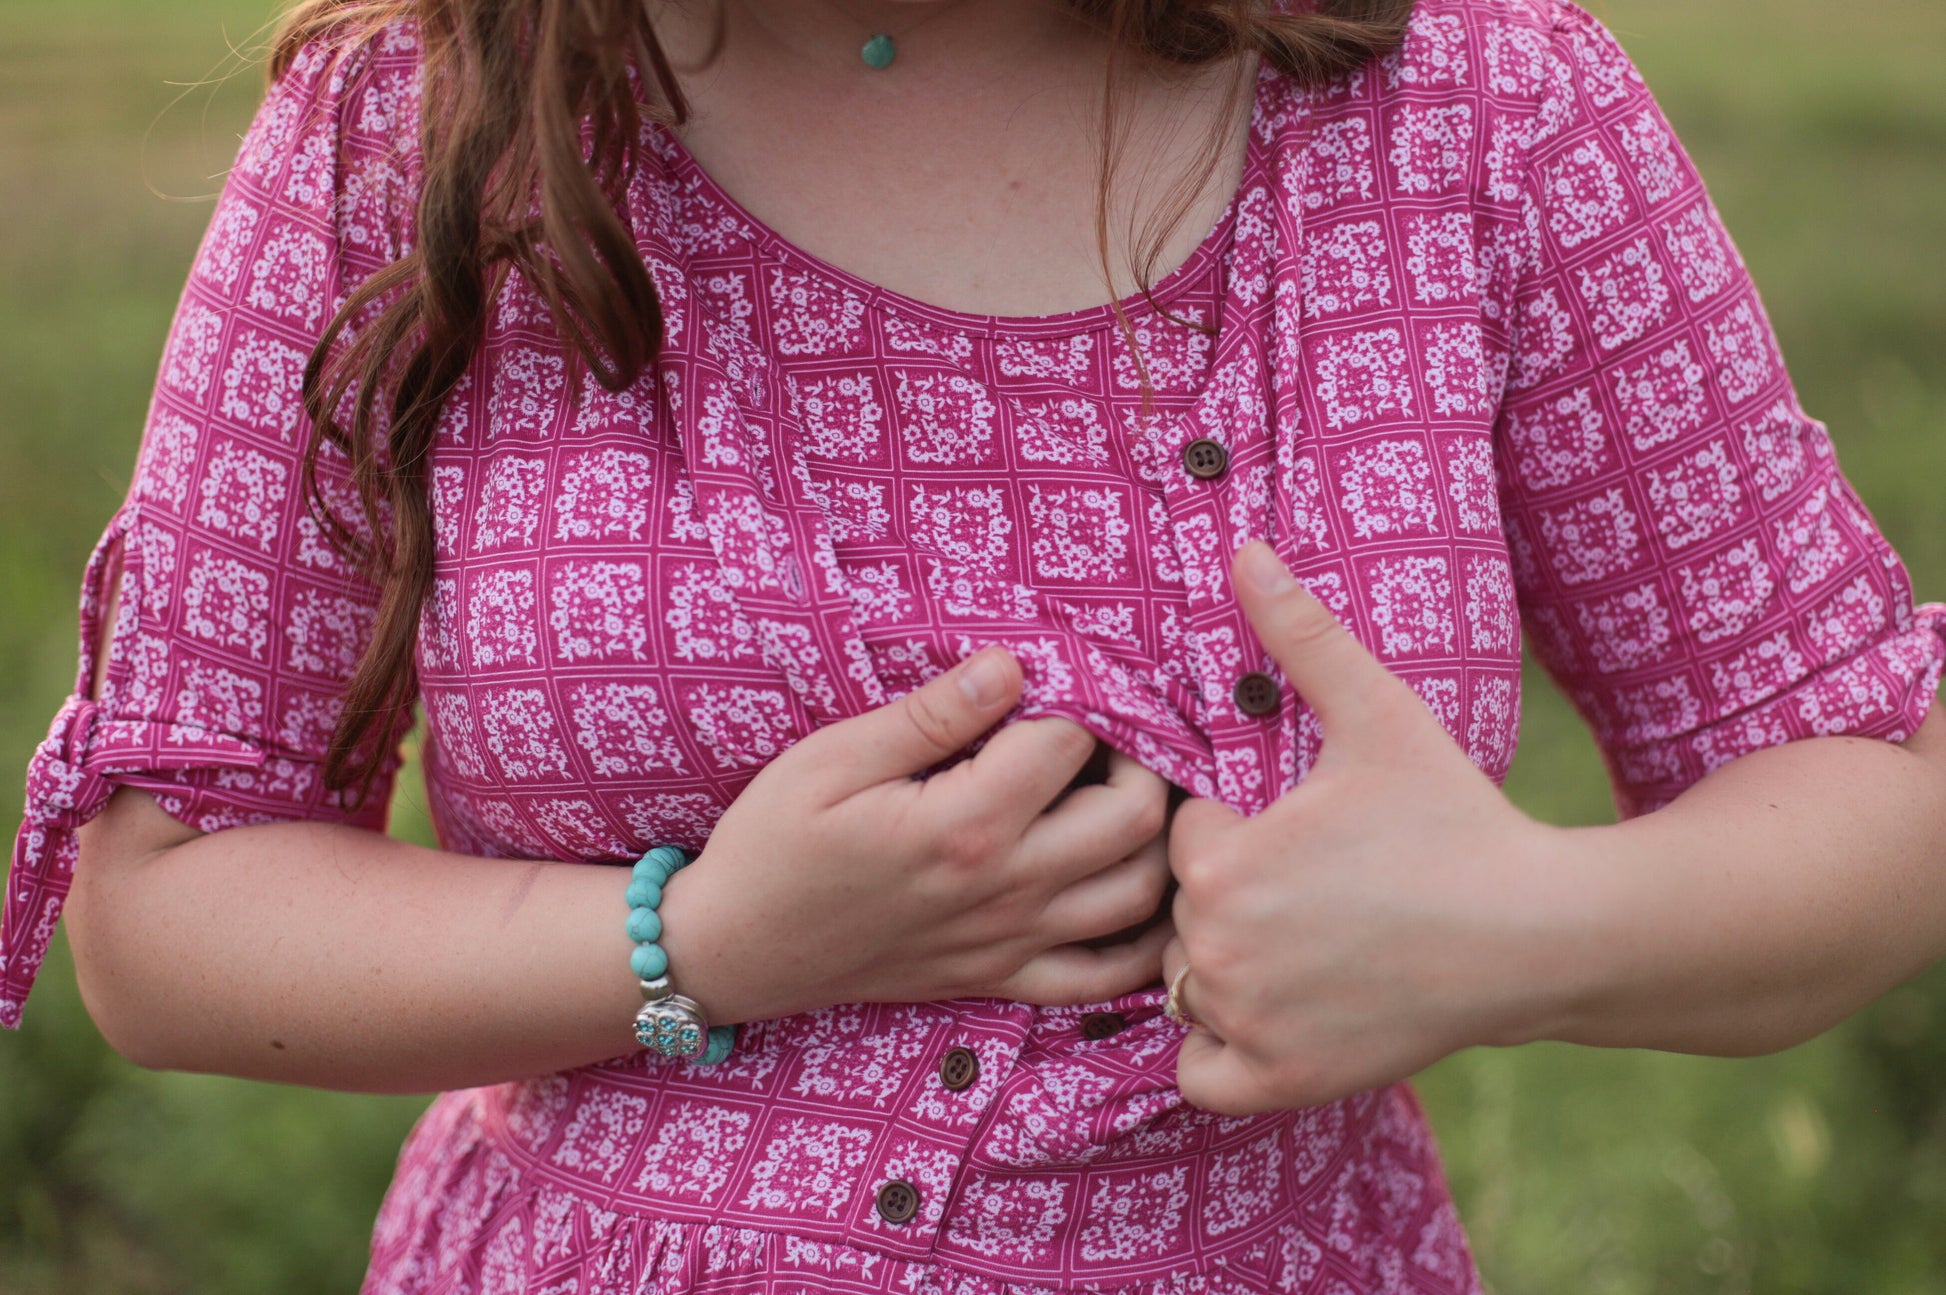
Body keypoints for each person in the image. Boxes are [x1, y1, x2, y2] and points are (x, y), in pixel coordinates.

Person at [4, 0, 1943, 1290]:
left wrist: (1525, 933)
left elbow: (1871, 783)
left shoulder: (1478, 110)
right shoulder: (408, 125)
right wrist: (699, 945)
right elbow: (163, 911)